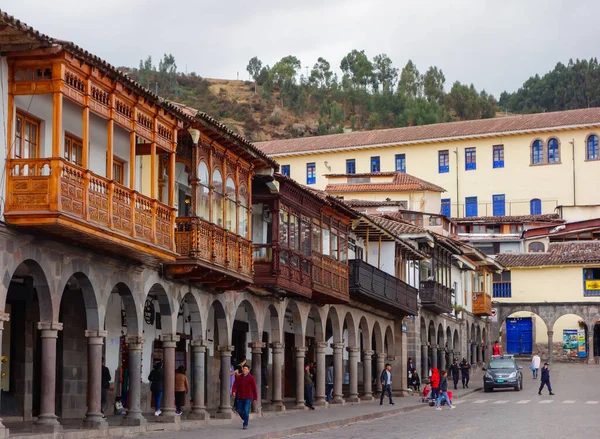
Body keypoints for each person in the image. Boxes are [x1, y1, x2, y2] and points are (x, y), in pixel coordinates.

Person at [232, 364, 258, 430]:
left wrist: (255, 397)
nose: (244, 370)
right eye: (243, 368)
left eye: (246, 369)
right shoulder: (238, 377)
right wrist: (234, 391)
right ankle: (246, 419)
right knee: (239, 411)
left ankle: (245, 424)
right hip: (240, 397)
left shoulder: (251, 378)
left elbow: (254, 388)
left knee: (246, 411)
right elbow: (235, 385)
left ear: (248, 371)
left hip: (248, 397)